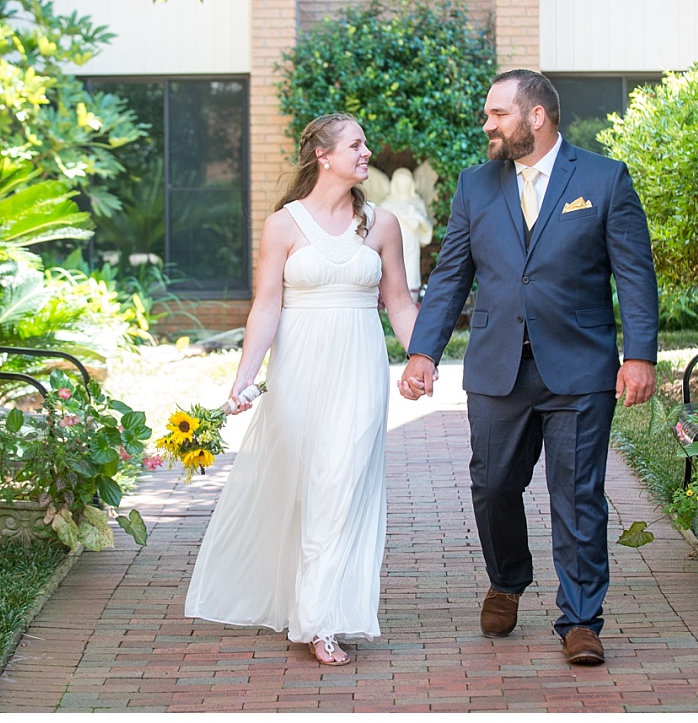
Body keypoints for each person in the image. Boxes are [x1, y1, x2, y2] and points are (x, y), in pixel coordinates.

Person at [399, 70, 659, 668]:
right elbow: (450, 278)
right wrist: (423, 353)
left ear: (535, 116)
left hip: (581, 369)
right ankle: (508, 579)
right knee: (493, 487)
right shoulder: (475, 186)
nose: (486, 125)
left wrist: (639, 354)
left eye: (497, 114)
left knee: (577, 496)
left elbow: (635, 276)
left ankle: (581, 621)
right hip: (498, 369)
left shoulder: (603, 179)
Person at [185, 113, 421, 666]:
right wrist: (242, 381)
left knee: (342, 483)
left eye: (365, 144)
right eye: (357, 145)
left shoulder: (383, 225)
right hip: (297, 372)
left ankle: (321, 621)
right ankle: (303, 603)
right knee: (305, 487)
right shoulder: (283, 226)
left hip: (361, 371)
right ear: (324, 155)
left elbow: (402, 304)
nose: (367, 153)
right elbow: (266, 307)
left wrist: (421, 357)